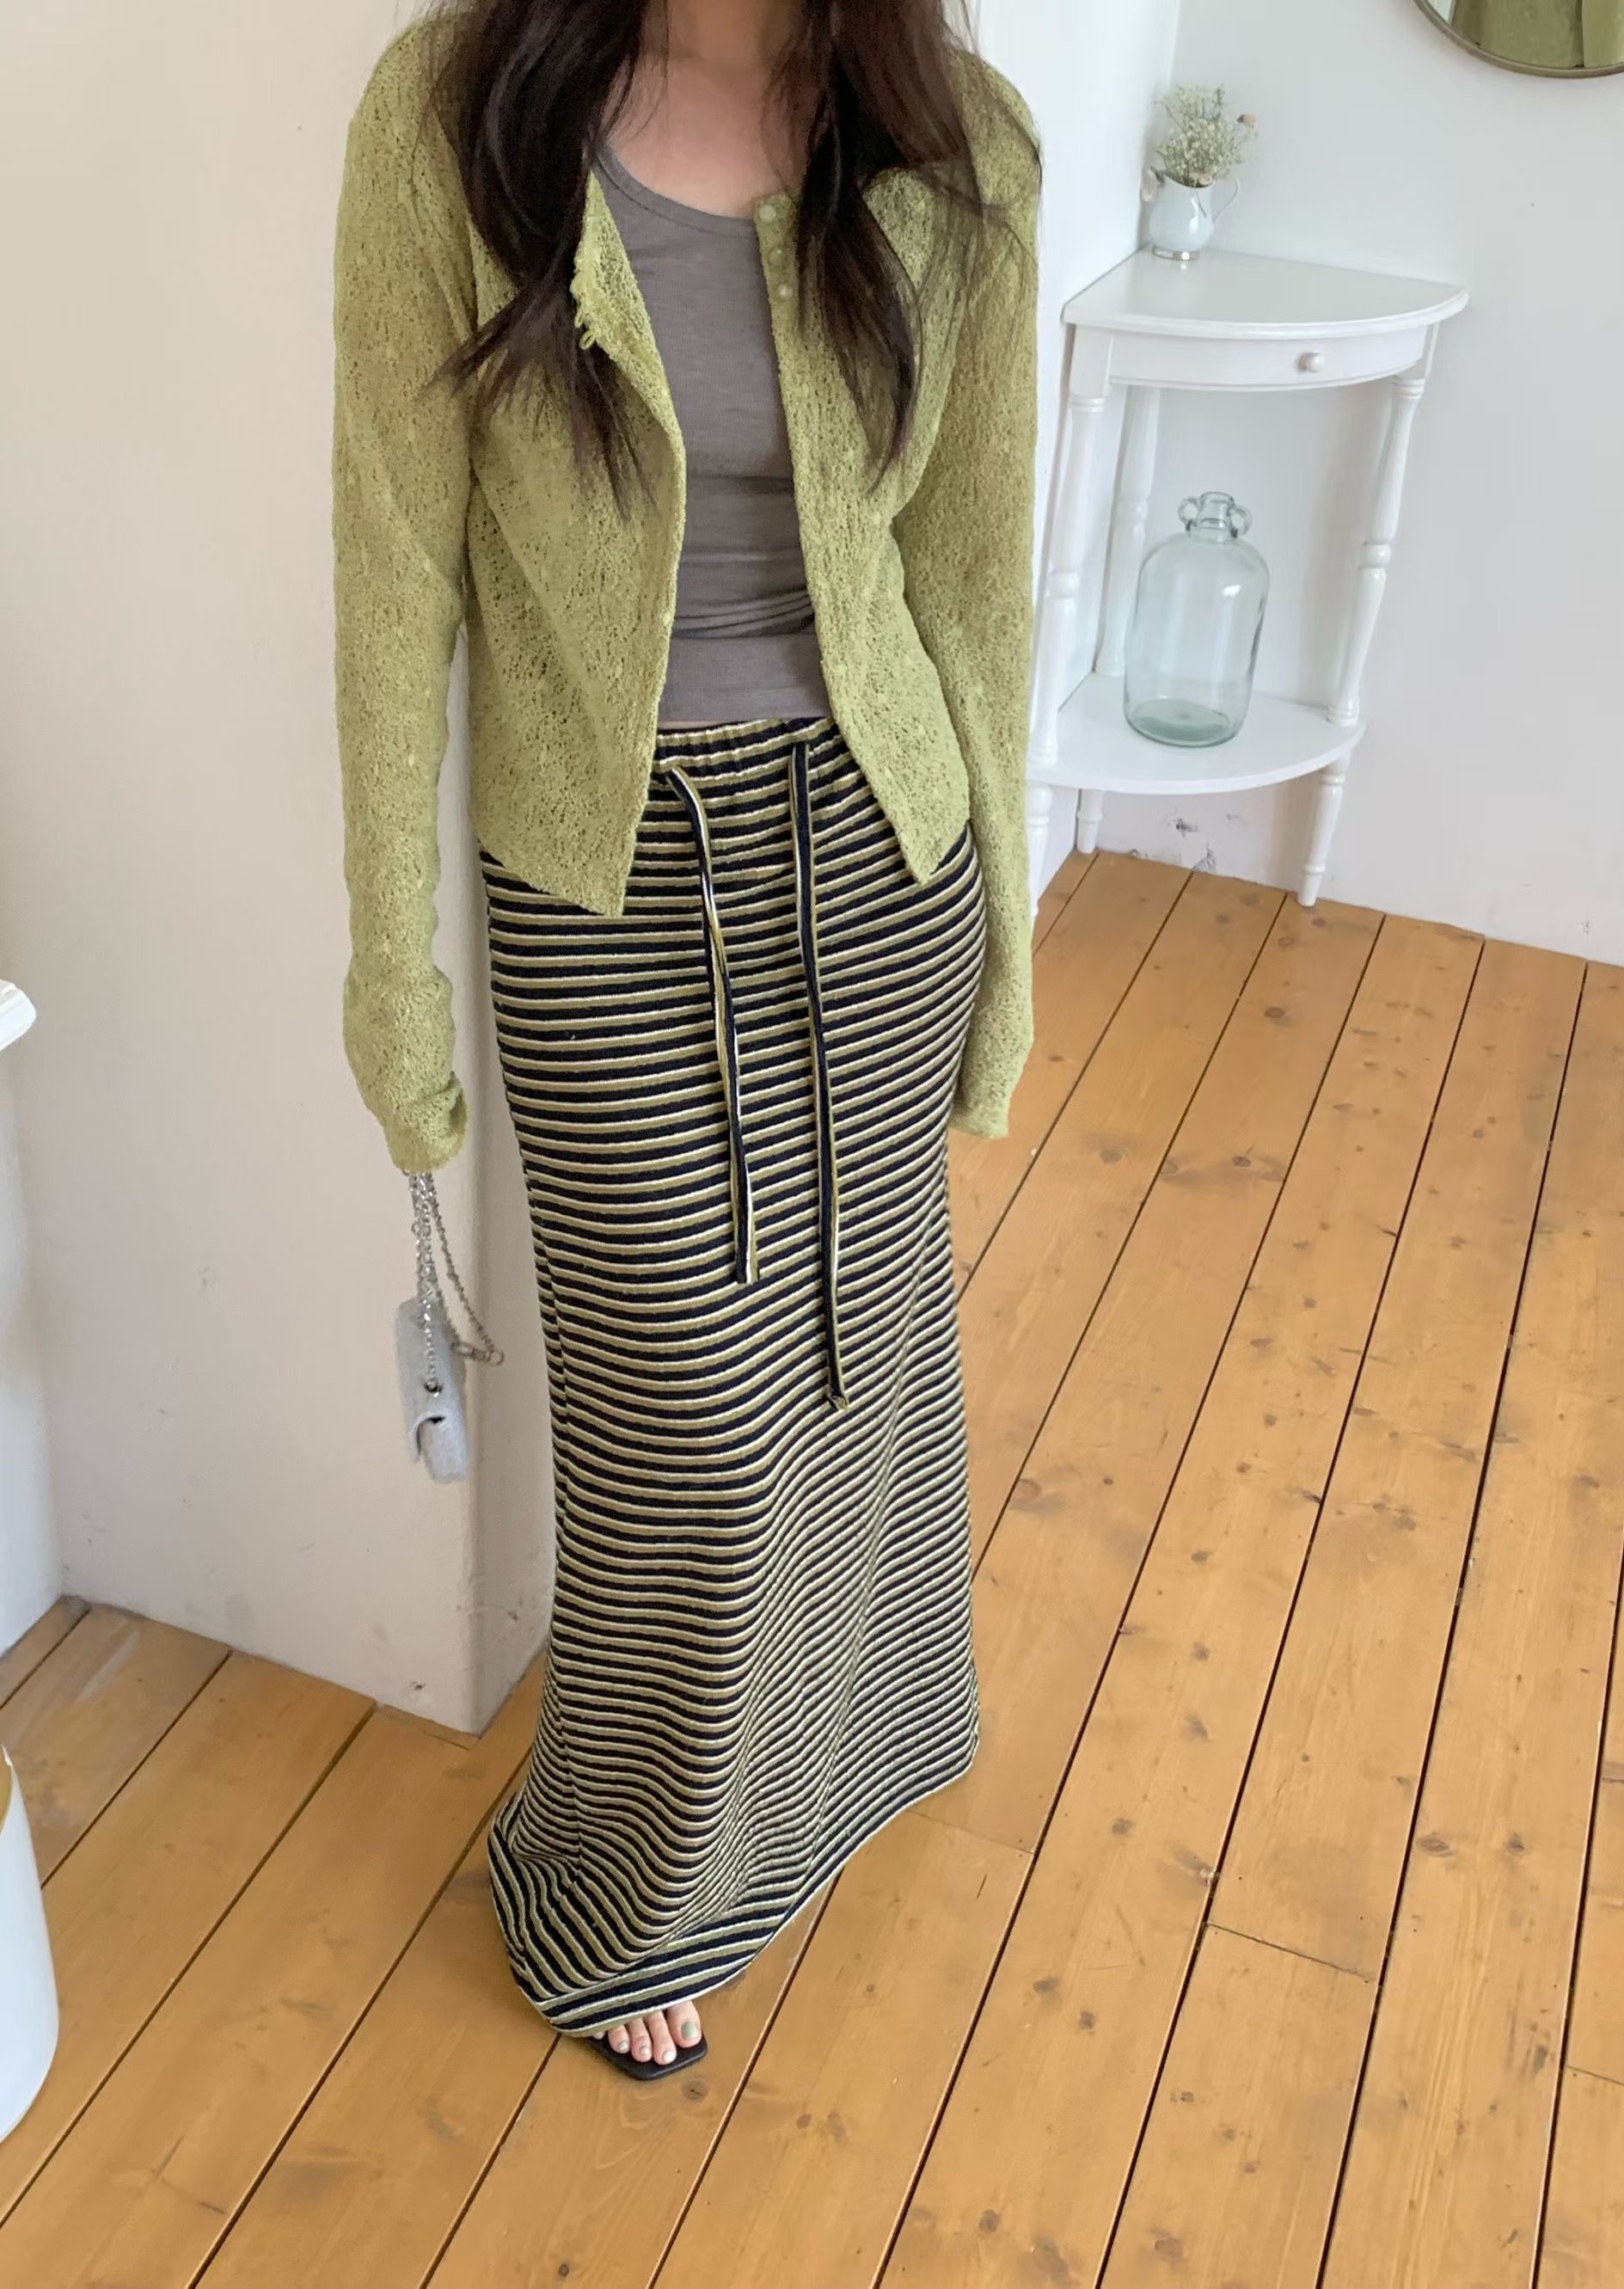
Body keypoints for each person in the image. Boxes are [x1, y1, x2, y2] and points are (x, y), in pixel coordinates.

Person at [332, 0, 1040, 2081]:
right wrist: (392, 982)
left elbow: (975, 587)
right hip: (607, 875)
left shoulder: (963, 143)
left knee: (859, 1364)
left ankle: (854, 1749)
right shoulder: (454, 112)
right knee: (689, 1443)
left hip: (883, 855)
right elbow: (393, 574)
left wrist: (1006, 951)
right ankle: (619, 1883)